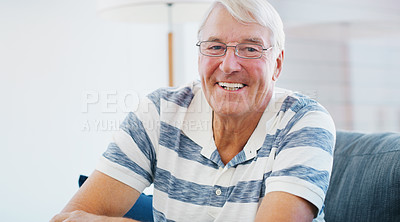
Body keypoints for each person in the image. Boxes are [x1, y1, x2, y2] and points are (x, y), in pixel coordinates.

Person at [51, 0, 335, 221]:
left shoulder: (305, 122)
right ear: (199, 56)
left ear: (277, 64)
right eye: (215, 47)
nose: (229, 65)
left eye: (250, 49)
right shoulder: (160, 113)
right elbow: (68, 219)